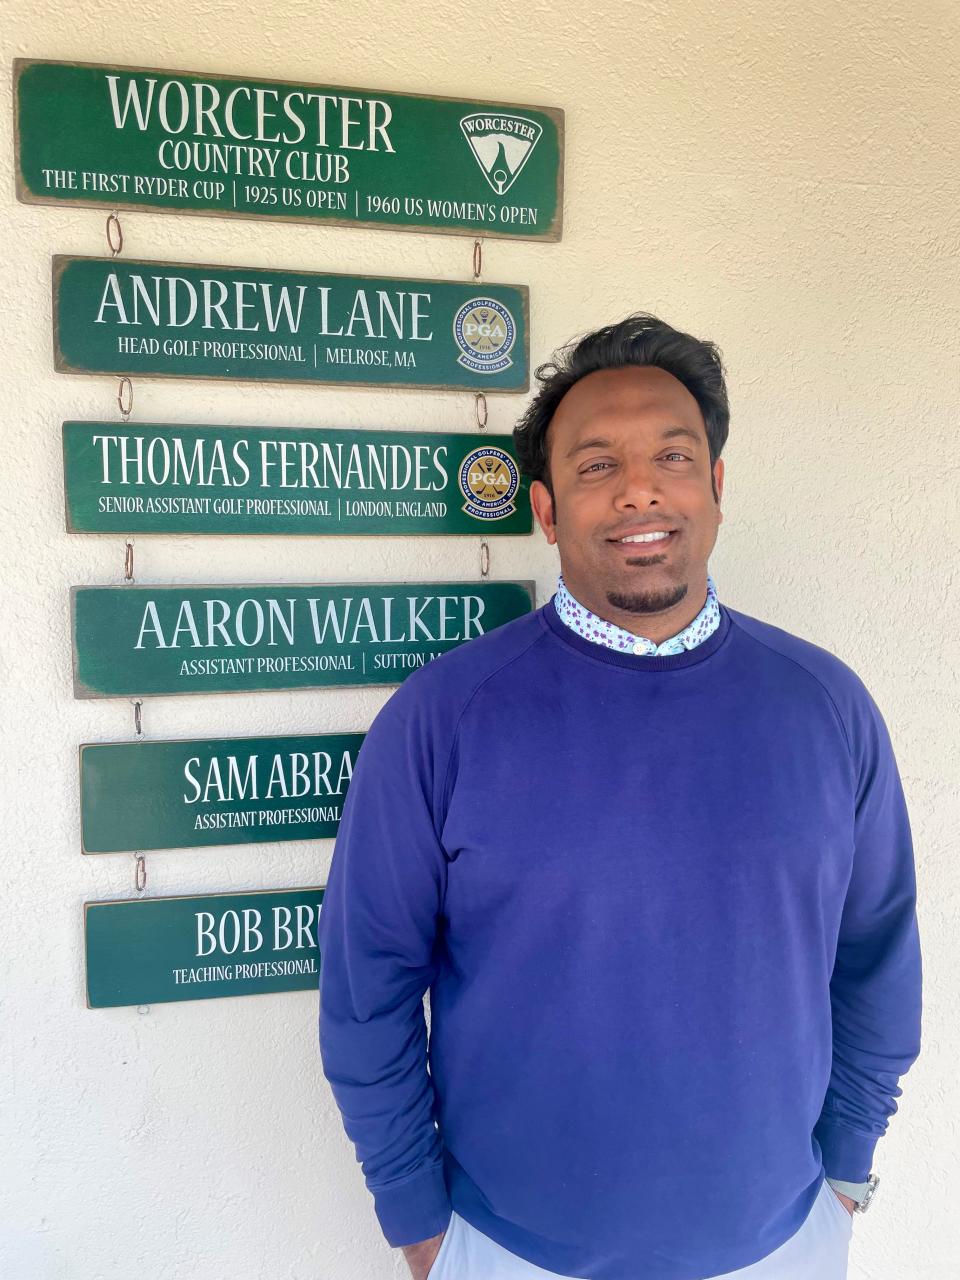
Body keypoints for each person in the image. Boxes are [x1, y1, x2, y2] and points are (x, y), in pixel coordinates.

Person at [316, 314, 923, 1280]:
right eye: (597, 465)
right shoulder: (442, 719)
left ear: (717, 488)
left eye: (673, 456)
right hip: (509, 1251)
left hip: (784, 1242)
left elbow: (878, 954)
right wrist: (417, 1219)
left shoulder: (825, 707)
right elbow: (368, 989)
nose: (640, 487)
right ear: (548, 511)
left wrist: (847, 1171)